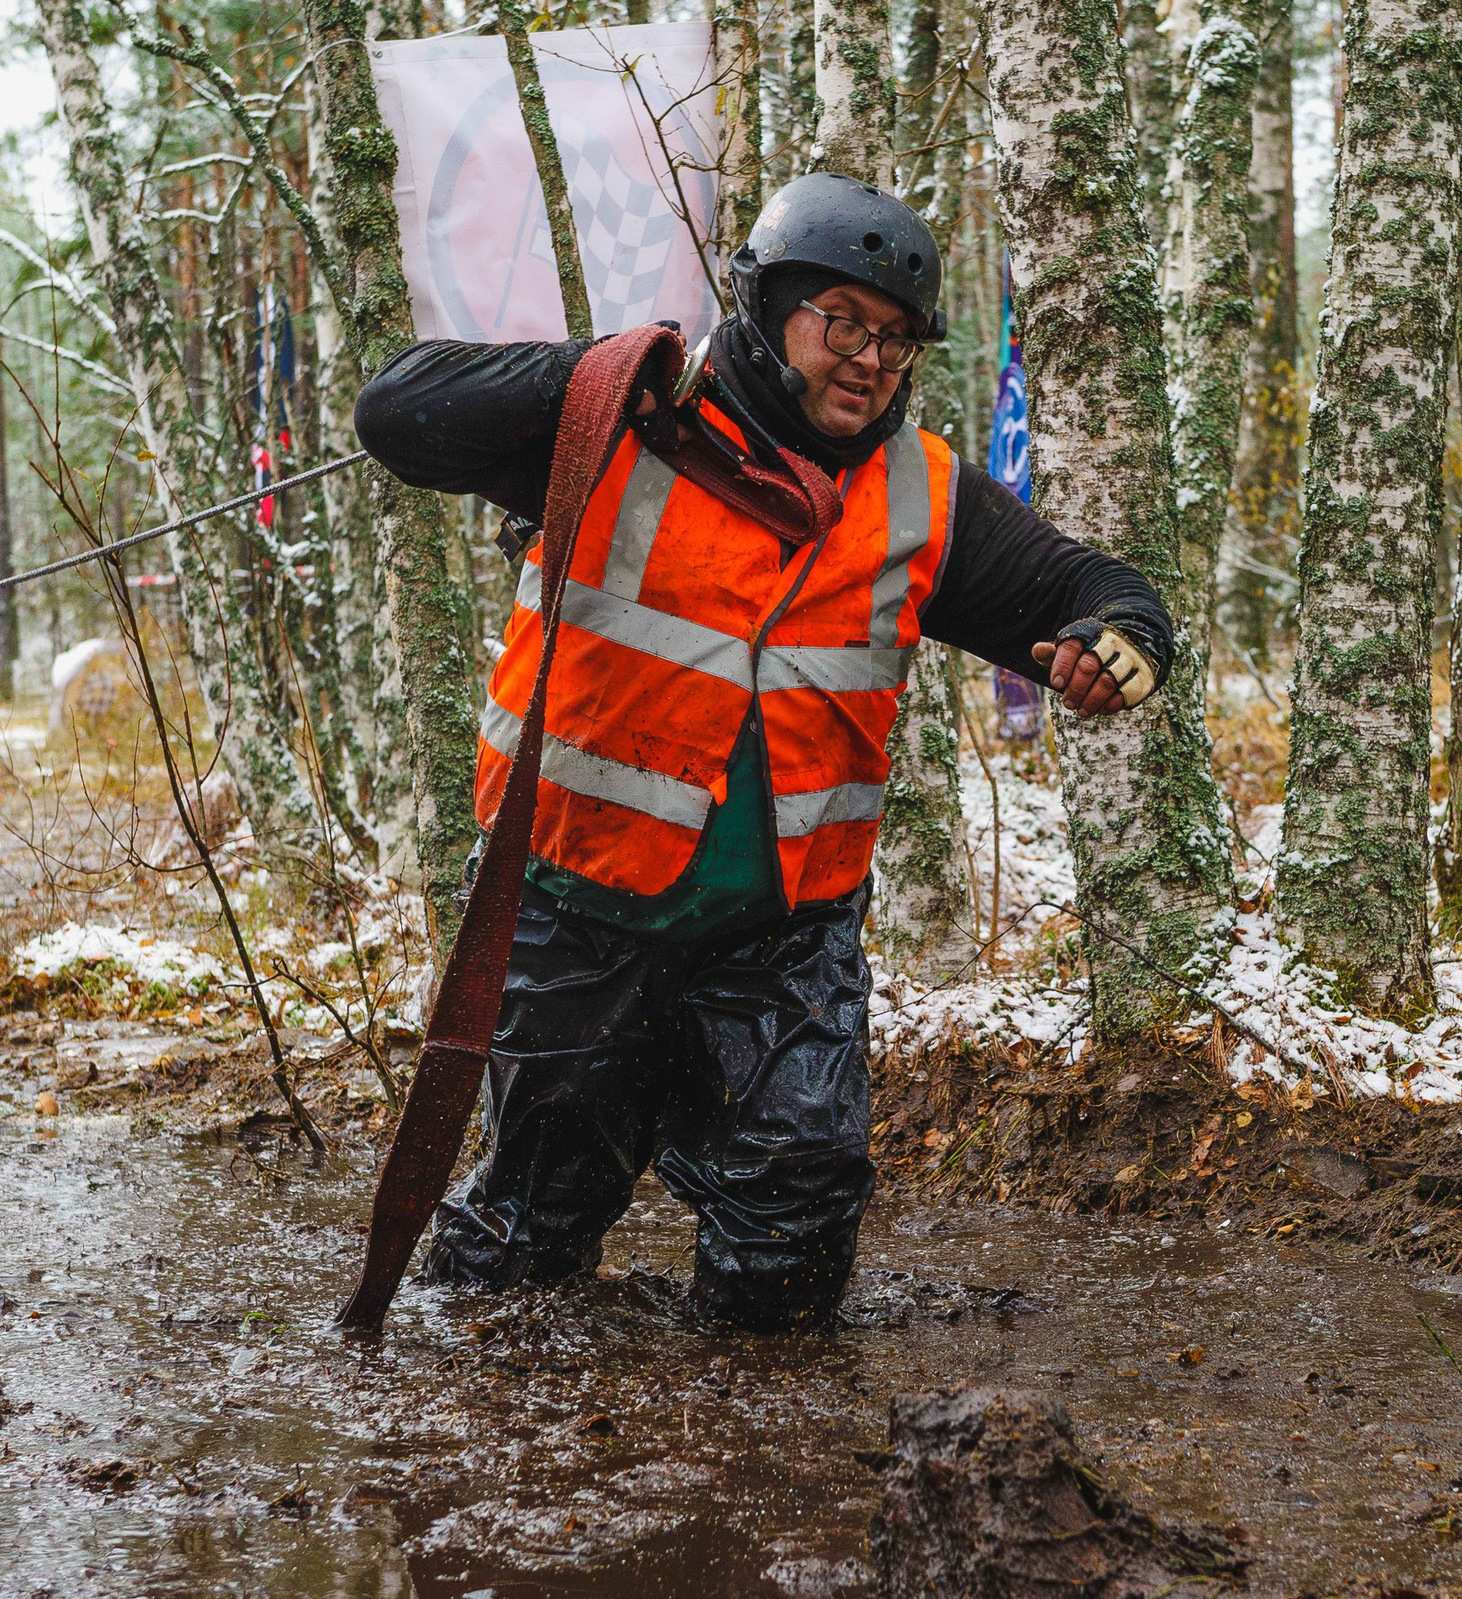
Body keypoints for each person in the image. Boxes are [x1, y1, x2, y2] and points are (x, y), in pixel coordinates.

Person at [354, 173, 1174, 1329]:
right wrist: (592, 375)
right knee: (530, 1237)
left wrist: (1122, 635)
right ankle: (479, 1416)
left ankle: (753, 1431)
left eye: (895, 338)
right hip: (576, 908)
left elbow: (1085, 586)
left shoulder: (922, 493)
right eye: (842, 322)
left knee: (794, 1233)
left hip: (783, 933)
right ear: (764, 304)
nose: (870, 359)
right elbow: (394, 413)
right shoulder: (621, 423)